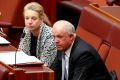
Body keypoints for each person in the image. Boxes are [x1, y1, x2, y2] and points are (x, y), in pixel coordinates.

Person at [18, 2, 57, 67]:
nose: (29, 22)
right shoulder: (26, 30)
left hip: (48, 73)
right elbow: (21, 53)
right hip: (31, 68)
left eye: (34, 18)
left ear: (41, 19)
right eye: (27, 18)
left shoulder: (50, 35)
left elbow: (45, 64)